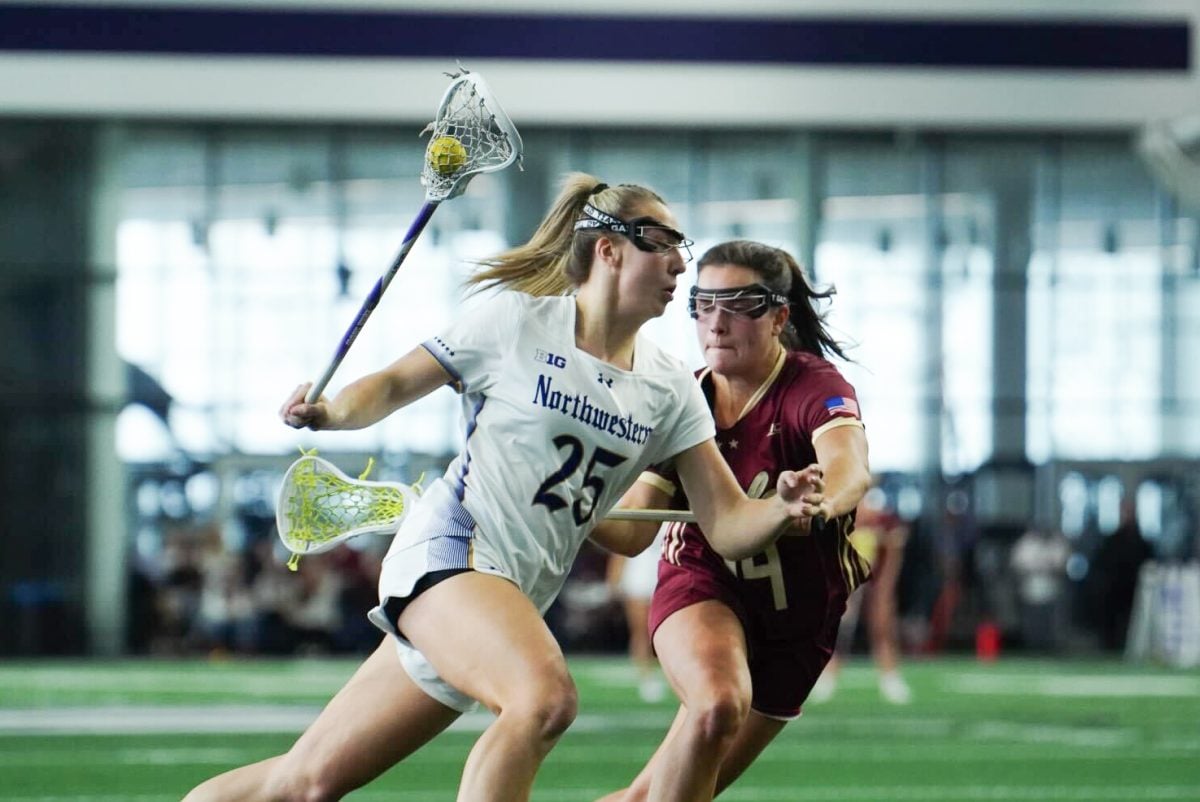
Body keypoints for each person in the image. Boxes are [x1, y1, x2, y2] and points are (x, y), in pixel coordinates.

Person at [182, 176, 826, 802]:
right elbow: (390, 385)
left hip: (512, 592)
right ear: (608, 250)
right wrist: (331, 411)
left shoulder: (669, 387)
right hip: (453, 553)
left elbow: (718, 522)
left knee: (306, 783)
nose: (680, 265)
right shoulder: (515, 321)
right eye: (663, 243)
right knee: (543, 700)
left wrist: (782, 507)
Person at [590, 239, 872, 802]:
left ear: (778, 317)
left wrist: (817, 501)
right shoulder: (683, 398)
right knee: (717, 703)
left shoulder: (814, 387)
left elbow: (850, 468)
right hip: (704, 582)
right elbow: (632, 530)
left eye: (739, 305)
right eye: (704, 304)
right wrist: (567, 492)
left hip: (800, 620)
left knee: (646, 798)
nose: (716, 323)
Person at [811, 485, 913, 705]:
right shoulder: (841, 517)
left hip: (876, 580)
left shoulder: (884, 520)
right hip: (848, 580)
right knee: (837, 629)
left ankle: (890, 677)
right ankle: (828, 675)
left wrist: (885, 588)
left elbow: (893, 556)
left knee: (883, 626)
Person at [606, 529, 668, 703]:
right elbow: (623, 544)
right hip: (639, 574)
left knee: (667, 631)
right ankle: (646, 676)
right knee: (641, 630)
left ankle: (669, 672)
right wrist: (614, 577)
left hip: (667, 572)